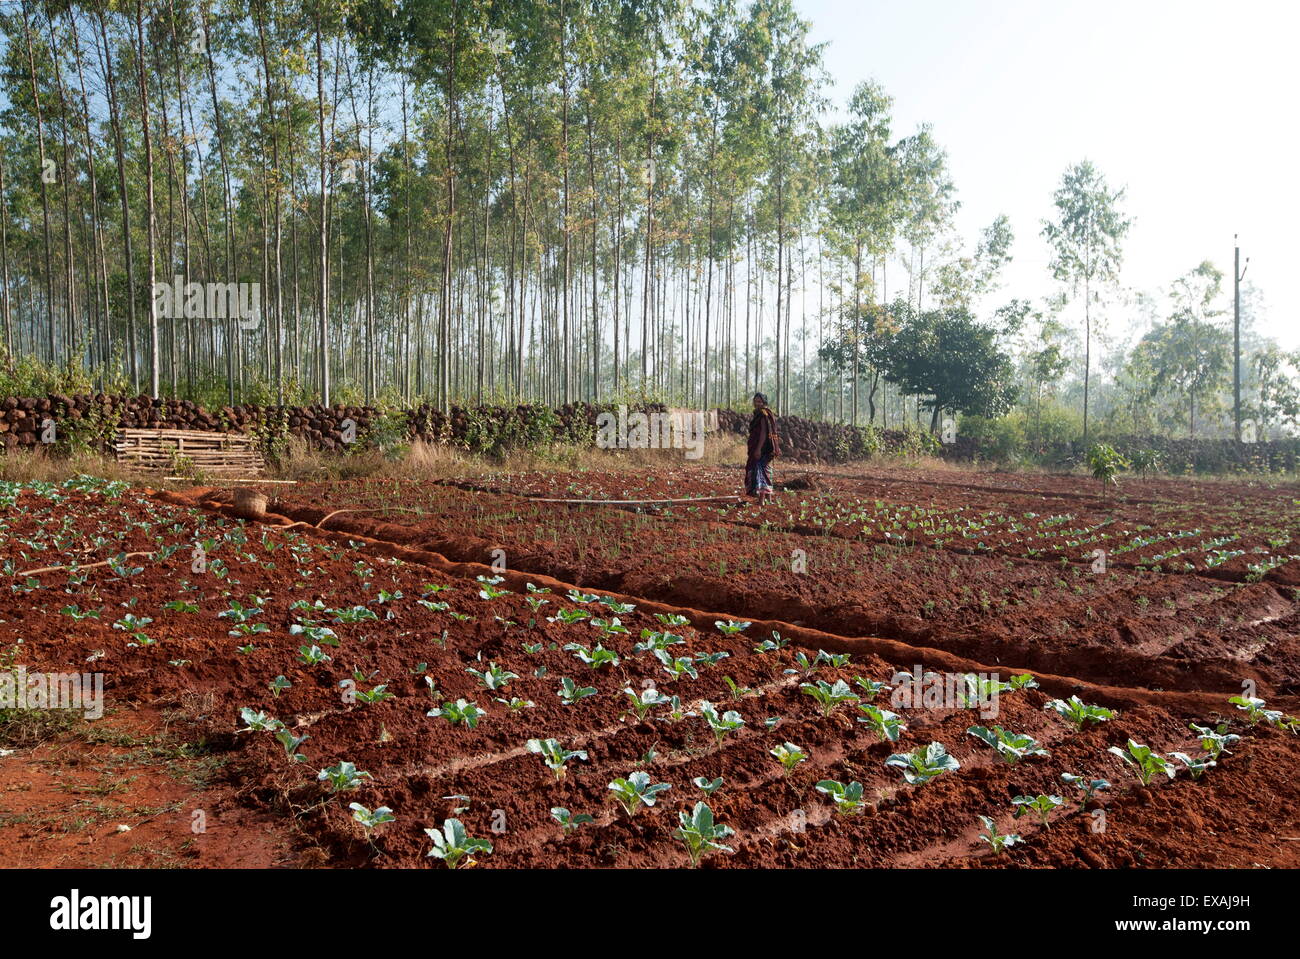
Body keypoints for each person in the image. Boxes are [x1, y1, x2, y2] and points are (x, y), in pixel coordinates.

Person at [745, 392, 780, 507]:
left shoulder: (763, 414)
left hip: (764, 448)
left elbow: (764, 433)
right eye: (755, 401)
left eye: (759, 401)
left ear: (764, 402)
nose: (757, 403)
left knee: (760, 471)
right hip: (766, 448)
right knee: (766, 470)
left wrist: (758, 449)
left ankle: (761, 500)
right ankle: (768, 499)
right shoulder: (762, 414)